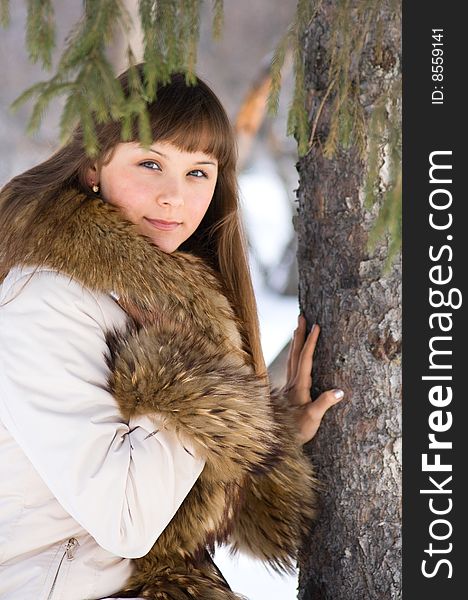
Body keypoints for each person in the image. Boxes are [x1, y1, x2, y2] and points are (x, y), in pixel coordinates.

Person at [0, 65, 344, 600]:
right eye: (150, 163)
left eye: (197, 173)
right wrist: (204, 392)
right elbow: (128, 519)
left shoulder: (148, 296)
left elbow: (167, 488)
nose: (173, 197)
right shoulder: (44, 301)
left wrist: (264, 435)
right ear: (93, 166)